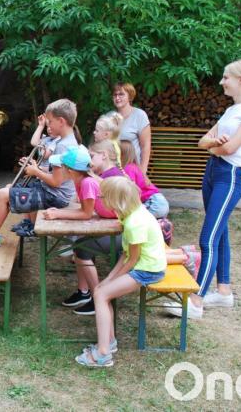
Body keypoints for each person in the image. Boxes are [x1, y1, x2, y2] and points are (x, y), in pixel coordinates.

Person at [165, 59, 241, 319]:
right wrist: (213, 144)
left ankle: (195, 301)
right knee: (220, 233)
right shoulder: (232, 110)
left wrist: (214, 146)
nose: (222, 82)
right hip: (212, 172)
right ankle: (223, 292)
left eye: (226, 78)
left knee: (207, 238)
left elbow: (230, 148)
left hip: (229, 175)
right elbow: (202, 141)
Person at [75, 176, 167, 368]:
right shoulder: (131, 213)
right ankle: (109, 343)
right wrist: (109, 278)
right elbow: (126, 254)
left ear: (114, 199)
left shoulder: (135, 223)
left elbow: (132, 259)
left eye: (103, 196)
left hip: (147, 270)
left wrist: (110, 280)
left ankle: (103, 354)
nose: (100, 199)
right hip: (141, 265)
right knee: (101, 291)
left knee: (100, 294)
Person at [0, 98, 79, 247]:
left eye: (50, 122)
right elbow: (59, 174)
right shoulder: (68, 142)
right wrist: (36, 167)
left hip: (54, 197)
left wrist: (35, 171)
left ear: (61, 121)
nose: (49, 125)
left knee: (2, 194)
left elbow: (56, 182)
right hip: (51, 192)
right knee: (8, 188)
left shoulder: (63, 146)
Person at [50, 140, 125, 316]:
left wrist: (57, 214)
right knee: (81, 246)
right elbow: (86, 211)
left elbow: (85, 213)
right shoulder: (81, 181)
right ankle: (85, 293)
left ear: (69, 171)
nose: (58, 169)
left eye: (61, 166)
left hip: (127, 232)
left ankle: (97, 298)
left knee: (81, 249)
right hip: (118, 226)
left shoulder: (86, 183)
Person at [10, 112, 60, 237]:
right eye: (47, 126)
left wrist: (34, 165)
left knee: (32, 196)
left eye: (51, 126)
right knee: (25, 189)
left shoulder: (57, 141)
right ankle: (27, 221)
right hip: (39, 174)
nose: (49, 129)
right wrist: (41, 125)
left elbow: (45, 154)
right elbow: (33, 142)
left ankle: (33, 226)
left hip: (45, 174)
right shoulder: (47, 139)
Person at [119, 140, 169, 218]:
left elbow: (130, 189)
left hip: (153, 203)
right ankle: (162, 223)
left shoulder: (128, 169)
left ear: (121, 155)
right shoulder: (135, 167)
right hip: (159, 202)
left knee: (134, 218)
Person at [113, 82, 151, 173]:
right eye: (115, 95)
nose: (117, 98)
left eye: (121, 94)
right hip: (112, 168)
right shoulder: (109, 116)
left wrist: (143, 170)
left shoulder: (139, 115)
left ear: (130, 97)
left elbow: (145, 145)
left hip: (132, 169)